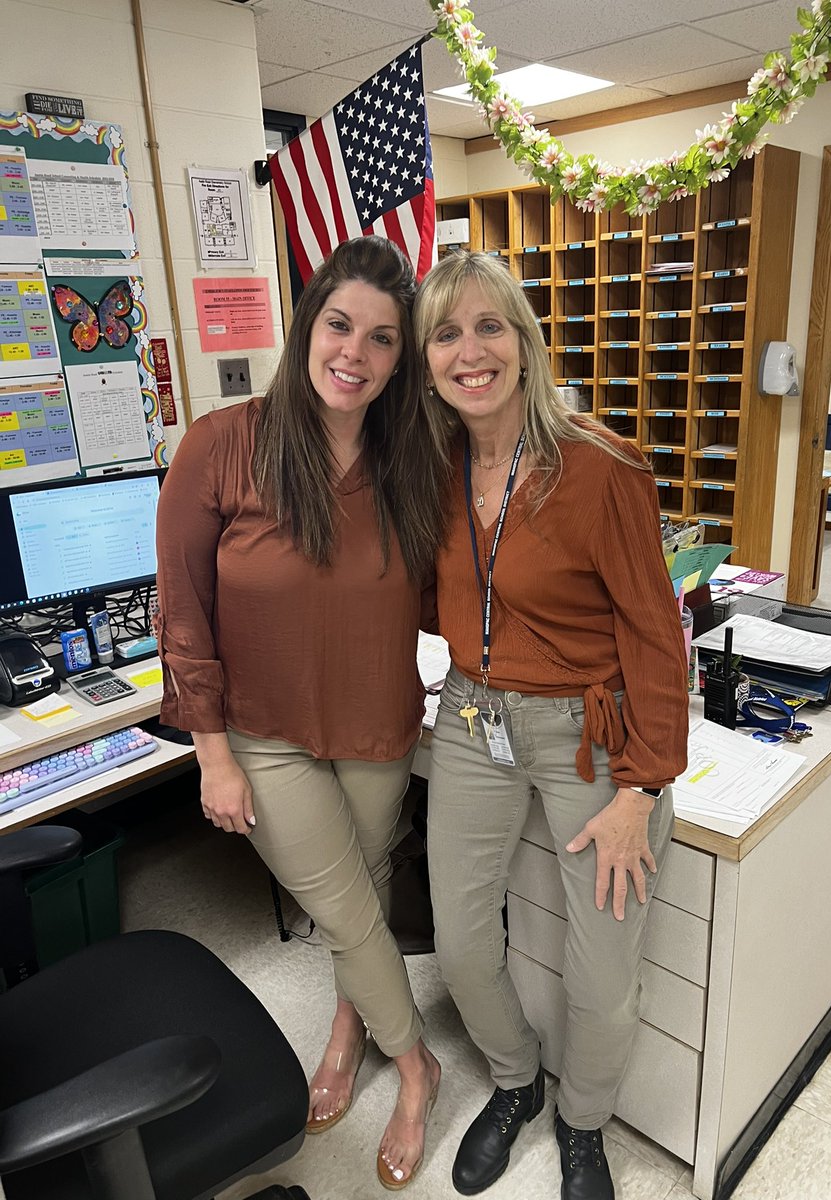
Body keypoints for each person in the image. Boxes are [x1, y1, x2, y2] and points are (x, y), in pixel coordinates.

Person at [155, 236, 445, 1191]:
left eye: (381, 339)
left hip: (378, 726)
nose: (353, 354)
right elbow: (183, 609)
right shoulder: (221, 443)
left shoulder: (411, 461)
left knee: (353, 900)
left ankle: (345, 1028)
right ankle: (414, 1067)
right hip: (264, 737)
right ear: (307, 322)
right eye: (338, 325)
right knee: (347, 911)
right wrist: (213, 755)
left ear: (401, 358)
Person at [413, 251, 689, 1200]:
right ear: (428, 361)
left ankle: (583, 1124)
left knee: (601, 971)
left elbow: (659, 636)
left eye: (490, 326)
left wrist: (641, 786)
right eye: (446, 334)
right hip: (470, 713)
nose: (470, 351)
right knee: (456, 938)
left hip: (591, 733)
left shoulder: (599, 465)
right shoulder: (434, 467)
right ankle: (516, 1080)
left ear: (524, 343)